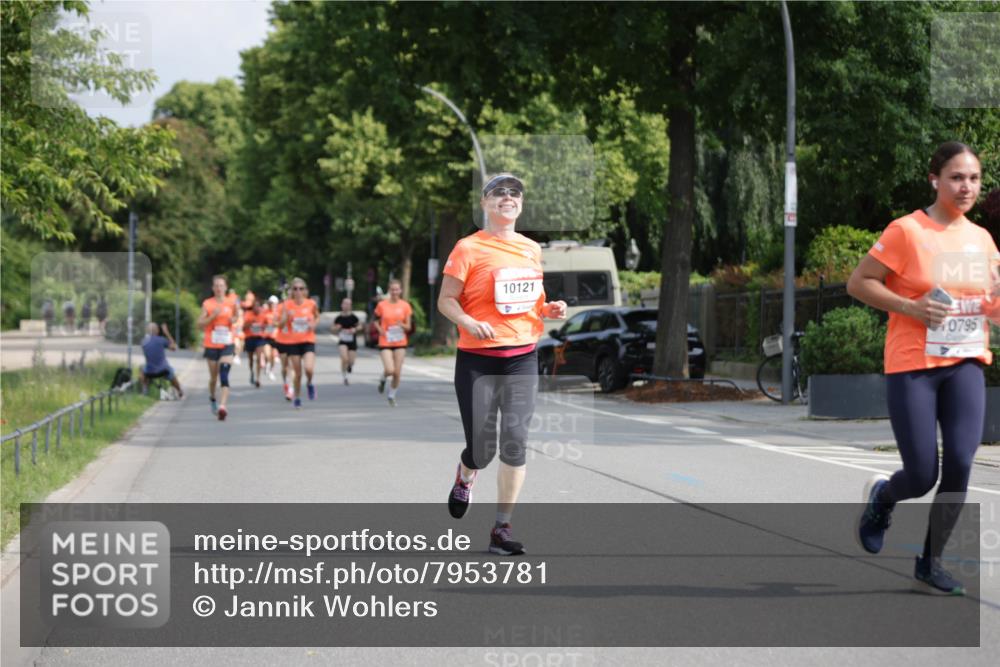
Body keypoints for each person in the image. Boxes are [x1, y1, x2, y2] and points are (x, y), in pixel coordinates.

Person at [847, 141, 993, 595]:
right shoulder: (907, 231)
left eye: (973, 178)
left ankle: (931, 563)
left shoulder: (982, 239)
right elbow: (859, 283)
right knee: (922, 473)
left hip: (965, 362)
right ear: (935, 179)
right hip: (914, 365)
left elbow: (991, 304)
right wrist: (912, 307)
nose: (965, 186)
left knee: (962, 465)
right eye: (956, 177)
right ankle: (883, 499)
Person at [438, 173, 567, 556]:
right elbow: (446, 299)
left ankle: (501, 529)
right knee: (481, 450)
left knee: (515, 443)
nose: (507, 197)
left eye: (514, 193)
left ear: (521, 205)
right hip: (477, 360)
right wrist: (467, 321)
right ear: (485, 203)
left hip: (522, 357)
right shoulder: (468, 248)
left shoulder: (531, 249)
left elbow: (532, 301)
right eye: (499, 192)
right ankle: (466, 473)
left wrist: (549, 309)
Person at [197, 275, 242, 420]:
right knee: (213, 378)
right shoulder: (208, 304)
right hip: (211, 344)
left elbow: (237, 316)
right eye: (216, 285)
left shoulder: (231, 302)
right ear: (212, 288)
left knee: (224, 373)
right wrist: (212, 316)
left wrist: (233, 319)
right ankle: (212, 398)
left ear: (226, 287)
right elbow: (199, 324)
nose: (218, 288)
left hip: (227, 343)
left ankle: (223, 406)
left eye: (221, 285)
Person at [276, 277, 319, 408]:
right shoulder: (287, 305)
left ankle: (310, 383)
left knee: (309, 368)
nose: (298, 291)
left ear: (305, 290)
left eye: (301, 288)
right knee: (298, 373)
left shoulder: (311, 303)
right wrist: (285, 318)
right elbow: (280, 325)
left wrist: (313, 324)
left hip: (308, 340)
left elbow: (317, 316)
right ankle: (298, 397)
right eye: (295, 289)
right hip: (293, 342)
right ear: (292, 291)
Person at [374, 279, 412, 406]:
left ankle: (391, 395)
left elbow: (409, 327)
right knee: (390, 369)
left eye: (397, 289)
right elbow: (375, 321)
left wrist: (402, 325)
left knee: (397, 372)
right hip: (385, 341)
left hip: (400, 341)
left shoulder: (405, 306)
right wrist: (380, 330)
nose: (395, 292)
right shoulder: (382, 305)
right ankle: (383, 378)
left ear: (400, 290)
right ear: (389, 291)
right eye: (392, 289)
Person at [140, 322, 183, 398]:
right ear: (157, 331)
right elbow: (174, 348)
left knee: (141, 368)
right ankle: (179, 391)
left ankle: (145, 390)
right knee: (171, 371)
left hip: (149, 371)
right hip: (163, 370)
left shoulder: (143, 341)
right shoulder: (161, 340)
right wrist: (167, 333)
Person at [331, 297, 360, 385]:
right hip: (343, 340)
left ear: (351, 306)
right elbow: (332, 328)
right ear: (342, 305)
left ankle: (349, 366)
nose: (346, 306)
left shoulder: (354, 317)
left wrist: (355, 329)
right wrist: (336, 328)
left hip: (352, 341)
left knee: (351, 361)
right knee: (344, 358)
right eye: (345, 304)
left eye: (348, 304)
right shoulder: (338, 318)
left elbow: (360, 326)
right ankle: (345, 376)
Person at [242, 297, 267, 388]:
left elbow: (267, 325)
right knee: (251, 359)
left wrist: (263, 326)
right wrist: (250, 323)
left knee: (259, 358)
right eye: (255, 306)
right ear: (252, 307)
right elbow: (243, 327)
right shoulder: (248, 315)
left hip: (259, 338)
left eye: (258, 306)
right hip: (249, 338)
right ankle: (252, 372)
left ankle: (258, 378)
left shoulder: (263, 314)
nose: (256, 308)